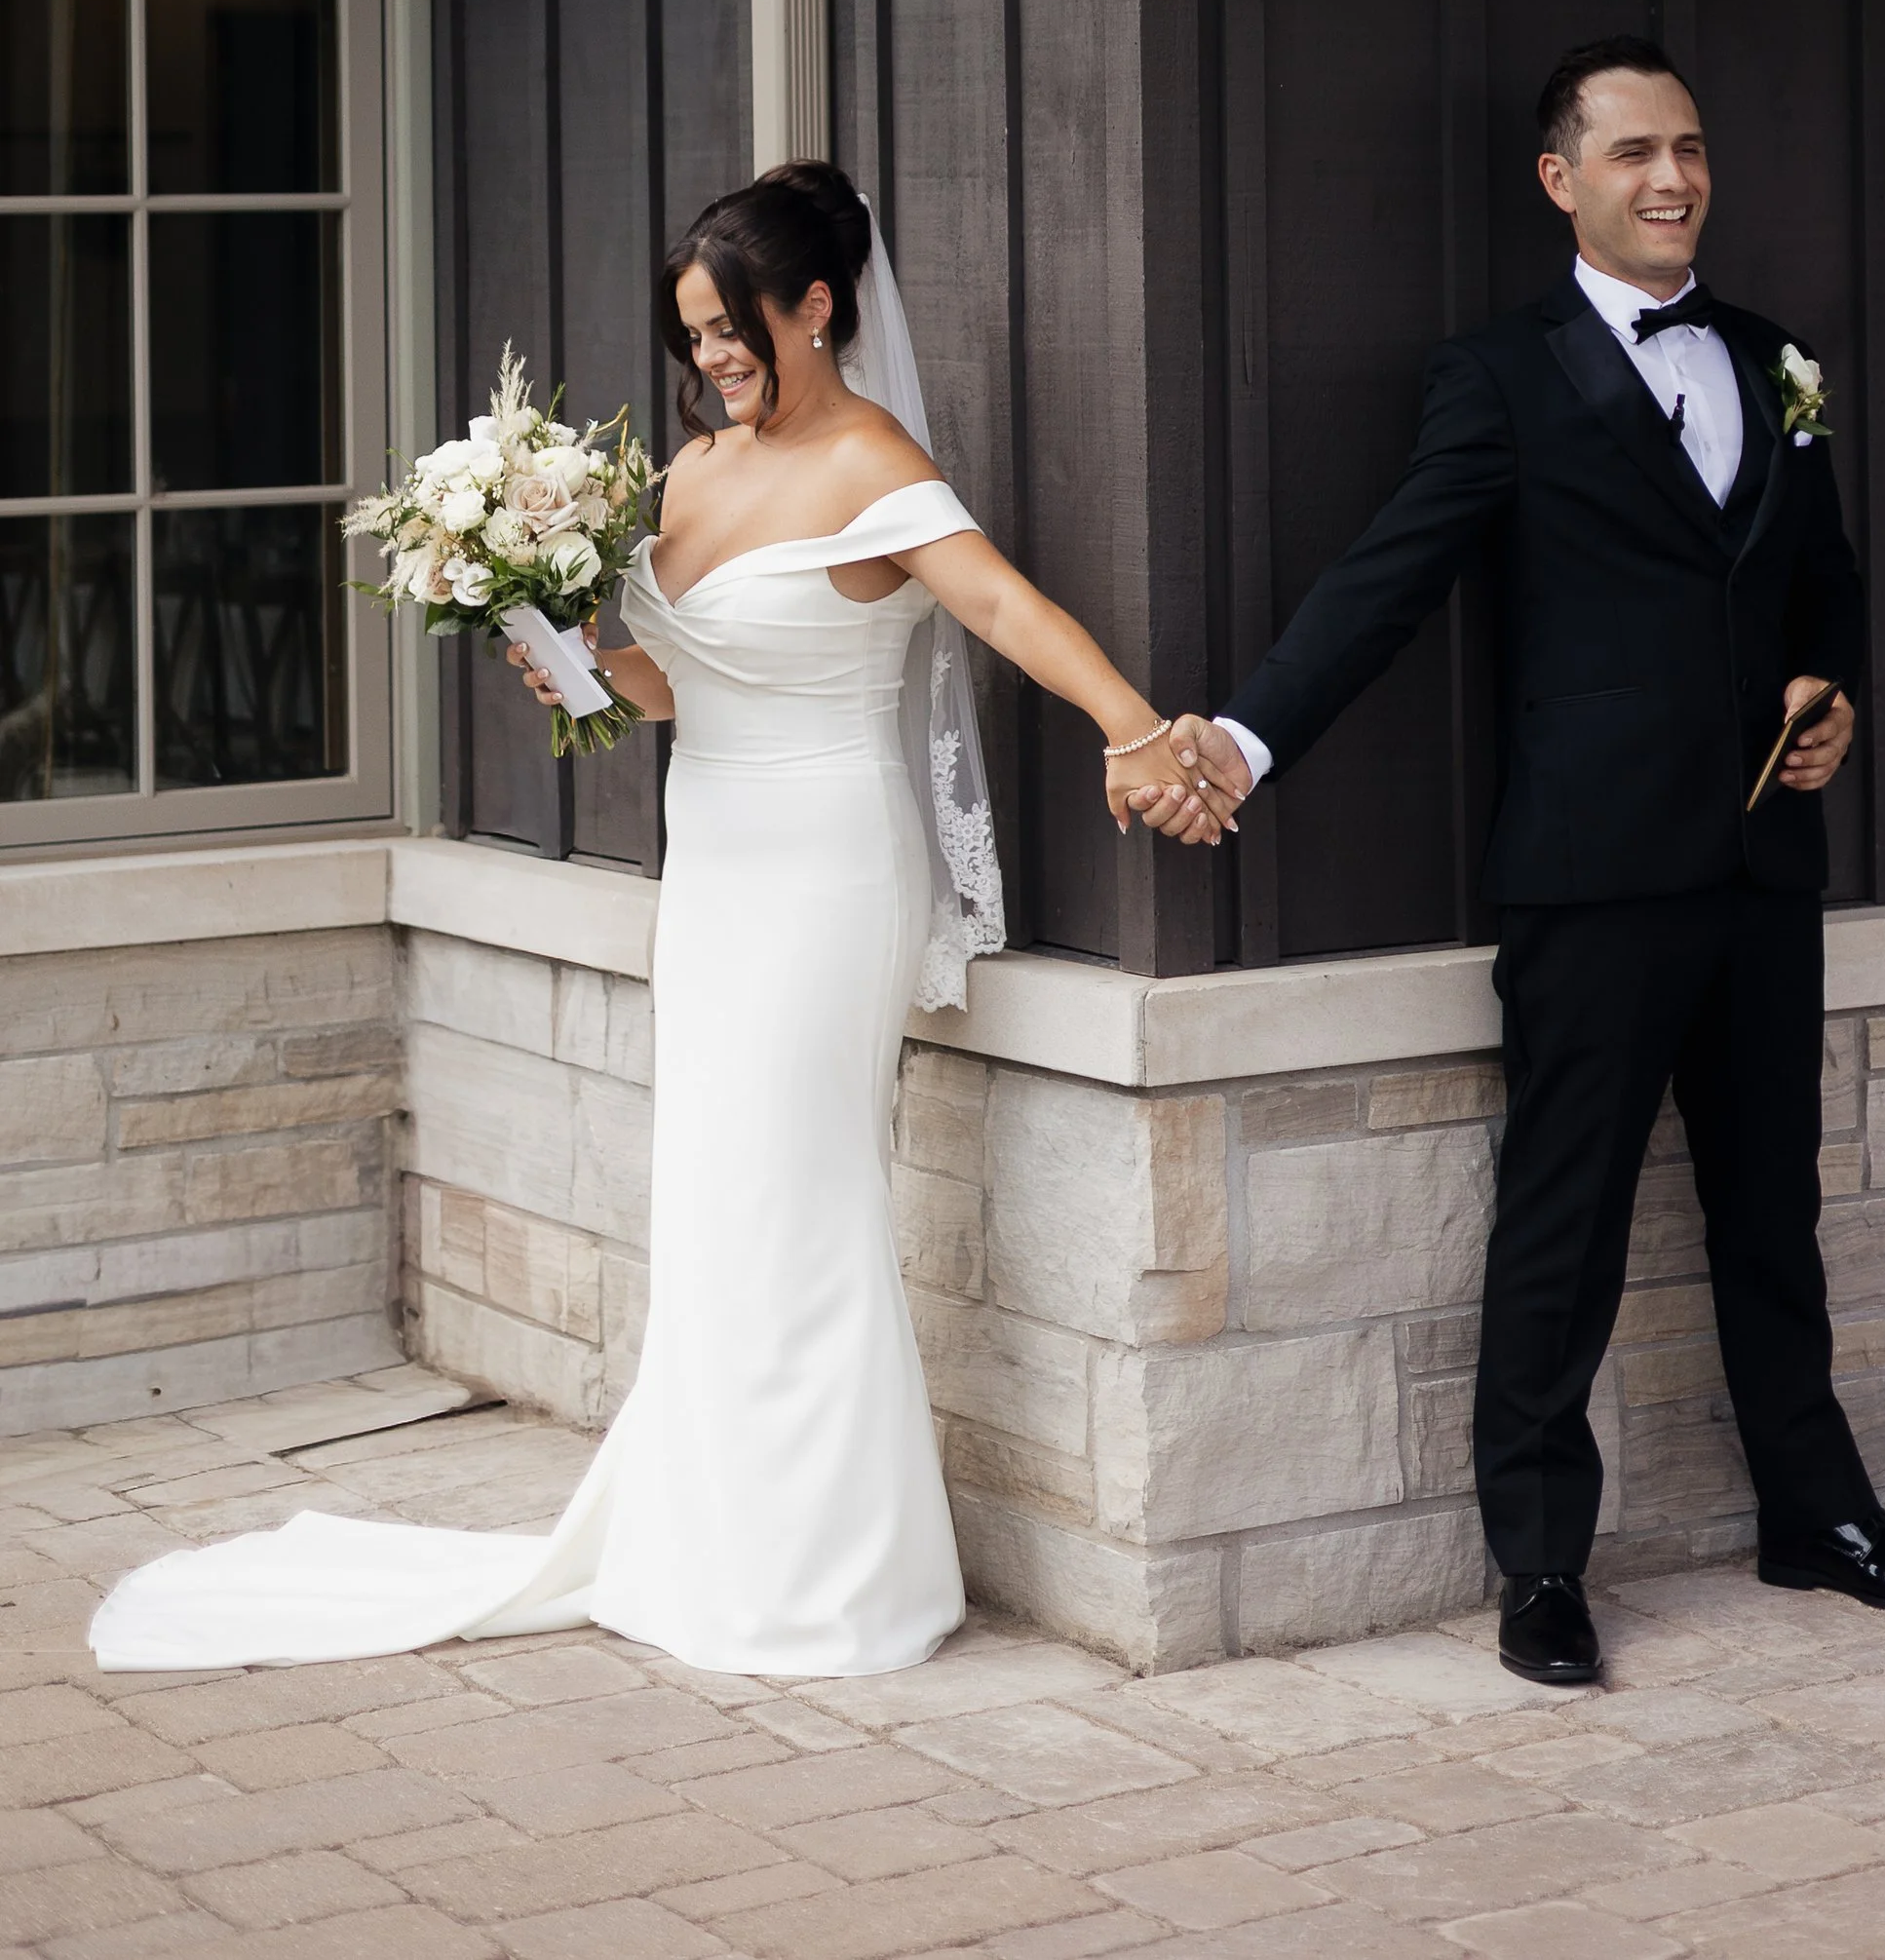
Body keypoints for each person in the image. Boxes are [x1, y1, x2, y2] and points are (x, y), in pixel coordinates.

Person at [90, 162, 1229, 1681]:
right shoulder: (692, 472)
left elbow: (1008, 610)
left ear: (816, 305)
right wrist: (554, 648)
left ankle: (836, 1576)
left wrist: (1139, 731)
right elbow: (684, 674)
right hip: (716, 865)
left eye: (731, 325)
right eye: (692, 332)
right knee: (715, 1197)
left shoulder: (874, 462)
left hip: (830, 865)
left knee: (801, 1194)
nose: (710, 355)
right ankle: (716, 1540)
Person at [1130, 35, 1885, 1681]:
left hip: (1761, 867)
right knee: (1562, 1225)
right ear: (1562, 180)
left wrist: (1836, 693)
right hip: (1593, 878)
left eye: (1689, 147)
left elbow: (1825, 578)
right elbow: (1383, 582)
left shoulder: (1773, 355)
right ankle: (1540, 1569)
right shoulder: (1499, 377)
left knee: (1771, 1215)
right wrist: (1237, 742)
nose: (1672, 178)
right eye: (1632, 154)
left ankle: (1822, 1519)